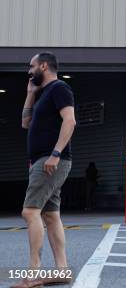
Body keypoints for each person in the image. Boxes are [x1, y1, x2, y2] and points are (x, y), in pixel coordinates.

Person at [13, 53, 76, 288]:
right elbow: (25, 123)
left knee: (30, 212)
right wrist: (30, 94)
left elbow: (70, 121)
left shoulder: (60, 88)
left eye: (31, 66)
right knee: (50, 215)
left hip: (50, 160)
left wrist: (56, 154)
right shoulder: (42, 95)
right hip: (43, 160)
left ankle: (33, 274)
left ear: (44, 65)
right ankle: (62, 271)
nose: (29, 71)